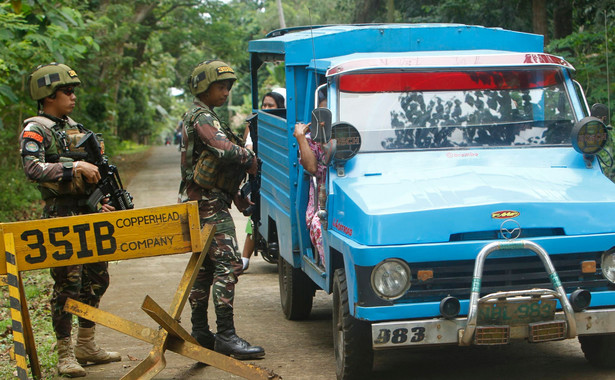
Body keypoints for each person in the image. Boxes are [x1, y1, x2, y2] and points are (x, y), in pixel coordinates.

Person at [20, 63, 121, 377]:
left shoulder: (73, 127)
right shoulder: (35, 128)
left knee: (97, 279)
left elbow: (94, 173)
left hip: (88, 212)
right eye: (67, 91)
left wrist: (103, 200)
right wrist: (73, 167)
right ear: (48, 95)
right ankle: (65, 352)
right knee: (68, 284)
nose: (73, 96)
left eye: (73, 90)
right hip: (61, 215)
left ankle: (86, 344)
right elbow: (32, 169)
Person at [178, 60, 264, 359]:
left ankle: (201, 332)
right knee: (228, 265)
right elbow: (222, 149)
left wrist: (237, 198)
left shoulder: (204, 115)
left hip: (203, 201)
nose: (225, 91)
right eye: (220, 86)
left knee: (205, 269)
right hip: (207, 206)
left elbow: (213, 167)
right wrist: (249, 158)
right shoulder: (202, 116)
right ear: (204, 87)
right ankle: (226, 335)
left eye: (228, 86)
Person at [241, 90, 286, 271]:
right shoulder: (255, 124)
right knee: (254, 218)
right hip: (260, 178)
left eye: (271, 106)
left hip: (277, 178)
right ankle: (244, 259)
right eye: (265, 105)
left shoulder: (283, 126)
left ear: (280, 108)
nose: (266, 108)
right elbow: (248, 146)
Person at [292, 87, 328, 266]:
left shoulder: (350, 134)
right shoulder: (311, 139)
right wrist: (301, 139)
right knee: (319, 226)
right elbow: (312, 167)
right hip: (323, 202)